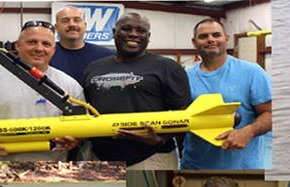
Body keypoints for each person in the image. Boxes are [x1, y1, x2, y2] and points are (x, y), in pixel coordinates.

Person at [0, 20, 84, 161]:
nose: (39, 48)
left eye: (46, 44)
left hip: (51, 170)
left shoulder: (69, 84)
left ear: (53, 50)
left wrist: (76, 139)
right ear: (18, 46)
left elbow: (83, 128)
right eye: (32, 42)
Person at [83, 13, 191, 167]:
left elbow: (184, 112)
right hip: (100, 156)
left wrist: (161, 139)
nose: (133, 34)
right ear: (114, 32)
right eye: (126, 29)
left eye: (140, 31)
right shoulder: (93, 68)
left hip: (151, 156)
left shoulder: (167, 67)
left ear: (148, 36)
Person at [181, 18, 272, 169]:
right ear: (194, 42)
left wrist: (248, 131)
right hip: (194, 165)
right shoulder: (184, 77)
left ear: (226, 38)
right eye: (203, 37)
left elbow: (270, 113)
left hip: (243, 167)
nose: (211, 40)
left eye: (216, 35)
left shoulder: (252, 72)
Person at [50, 5, 114, 84]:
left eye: (77, 20)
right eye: (65, 20)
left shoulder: (107, 55)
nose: (72, 24)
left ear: (85, 25)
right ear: (56, 27)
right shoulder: (45, 54)